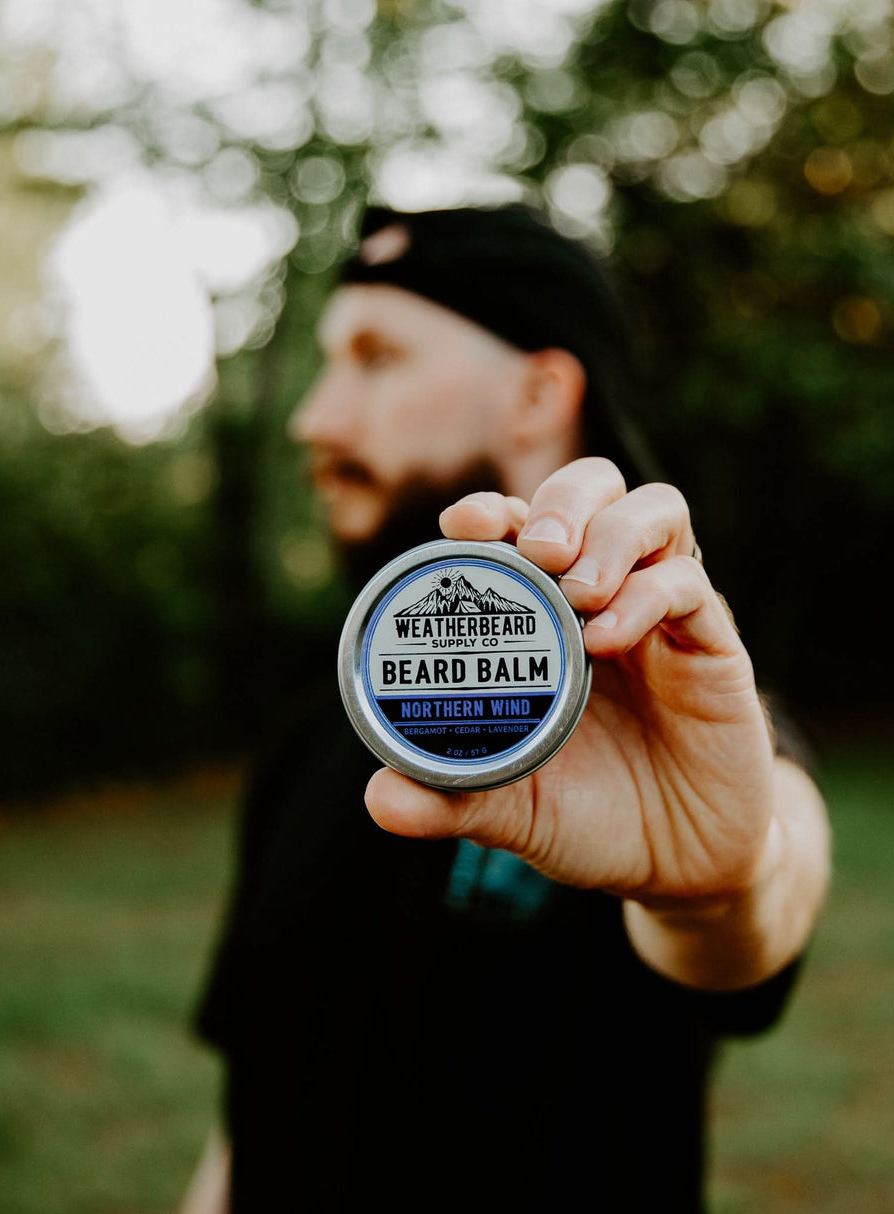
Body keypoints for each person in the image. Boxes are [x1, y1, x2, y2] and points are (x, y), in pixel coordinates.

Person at [181, 204, 831, 1213]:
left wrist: (716, 888)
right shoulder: (309, 737)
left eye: (376, 357)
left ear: (539, 392)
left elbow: (766, 874)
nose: (315, 417)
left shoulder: (679, 730)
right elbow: (253, 1107)